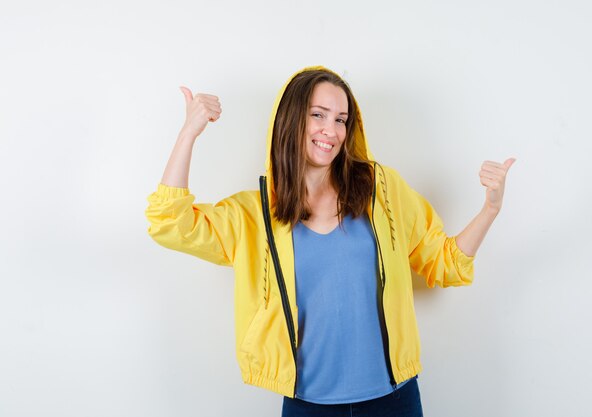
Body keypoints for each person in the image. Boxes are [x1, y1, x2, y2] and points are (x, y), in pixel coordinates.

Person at [145, 65, 515, 416]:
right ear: (292, 120)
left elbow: (445, 262)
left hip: (394, 401)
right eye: (318, 115)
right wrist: (188, 133)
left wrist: (490, 210)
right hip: (308, 405)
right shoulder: (253, 215)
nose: (332, 130)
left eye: (340, 120)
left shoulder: (382, 192)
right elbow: (171, 224)